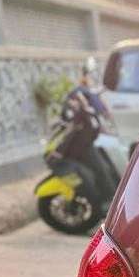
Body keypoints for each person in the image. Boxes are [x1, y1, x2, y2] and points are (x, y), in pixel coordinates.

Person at [56, 58, 117, 212]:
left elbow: (104, 114)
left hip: (92, 140)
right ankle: (108, 202)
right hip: (84, 141)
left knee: (104, 167)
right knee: (101, 167)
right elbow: (70, 118)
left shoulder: (90, 94)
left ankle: (110, 201)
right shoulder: (80, 94)